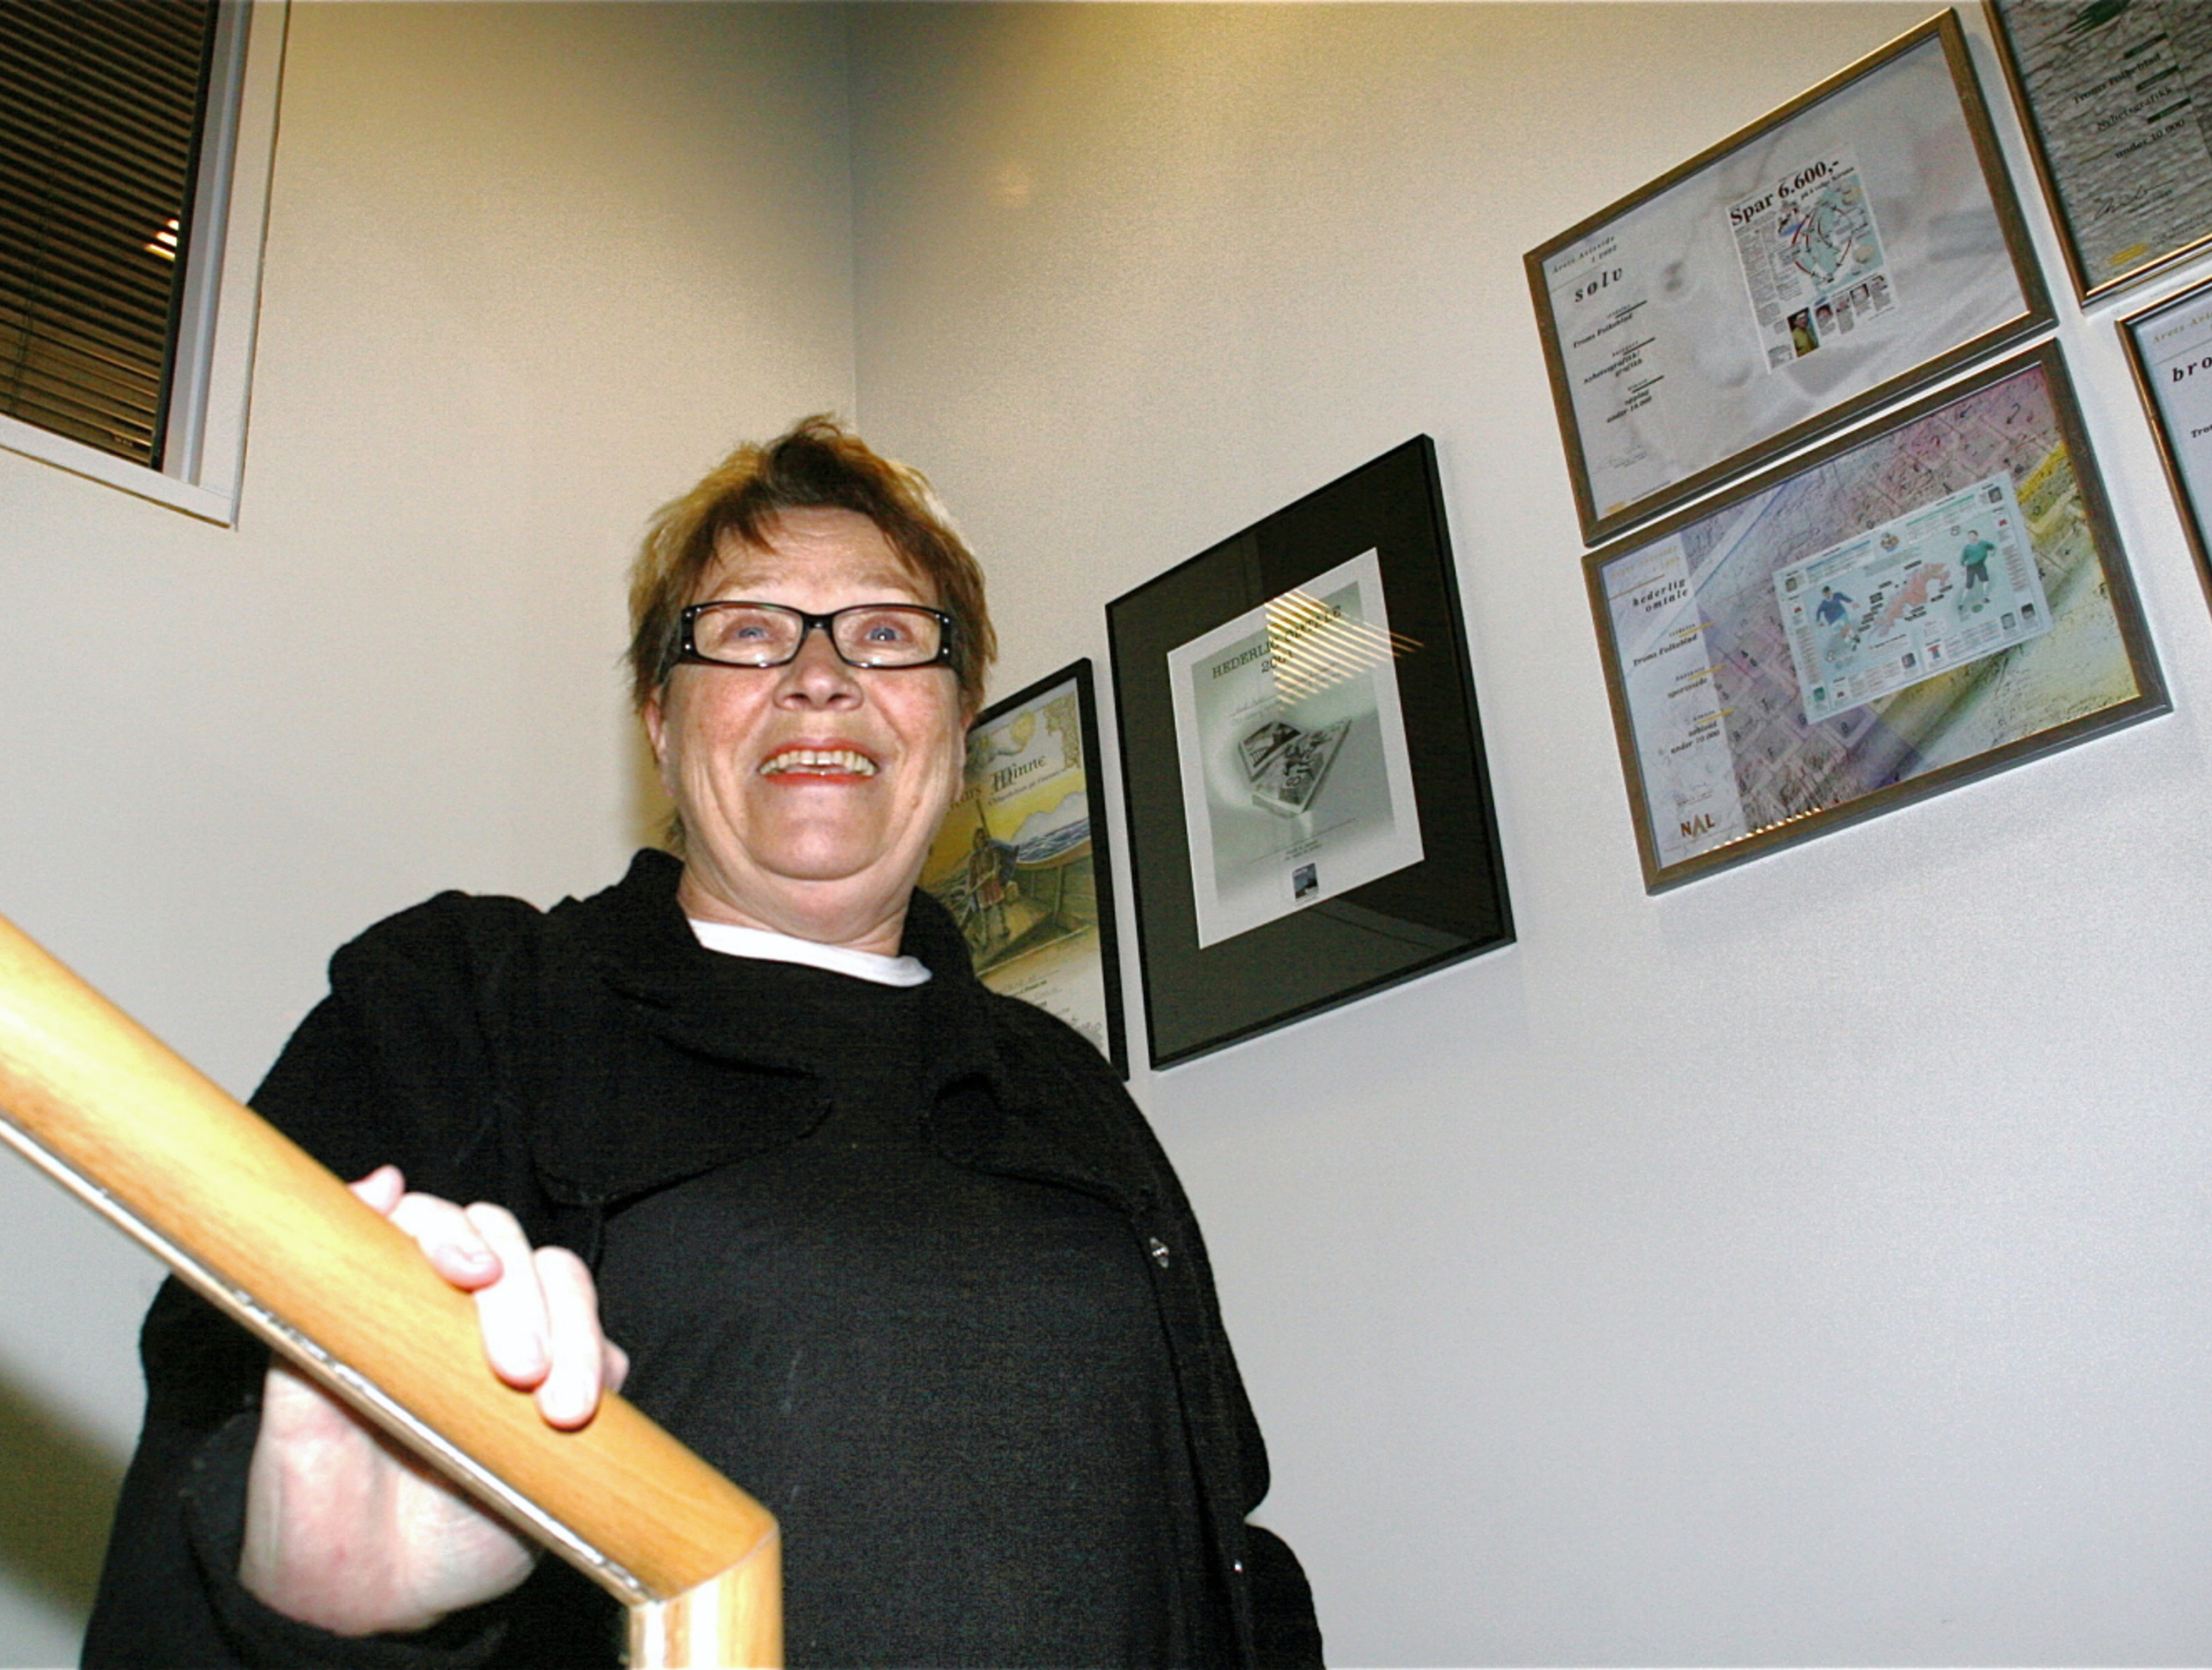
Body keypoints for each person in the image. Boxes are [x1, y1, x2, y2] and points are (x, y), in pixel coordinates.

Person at [84, 417, 1323, 1669]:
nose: (820, 675)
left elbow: (1226, 1532)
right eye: (747, 632)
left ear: (959, 734)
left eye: (887, 634)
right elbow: (222, 1419)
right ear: (661, 723)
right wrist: (313, 1609)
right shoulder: (467, 1002)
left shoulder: (1065, 1082)